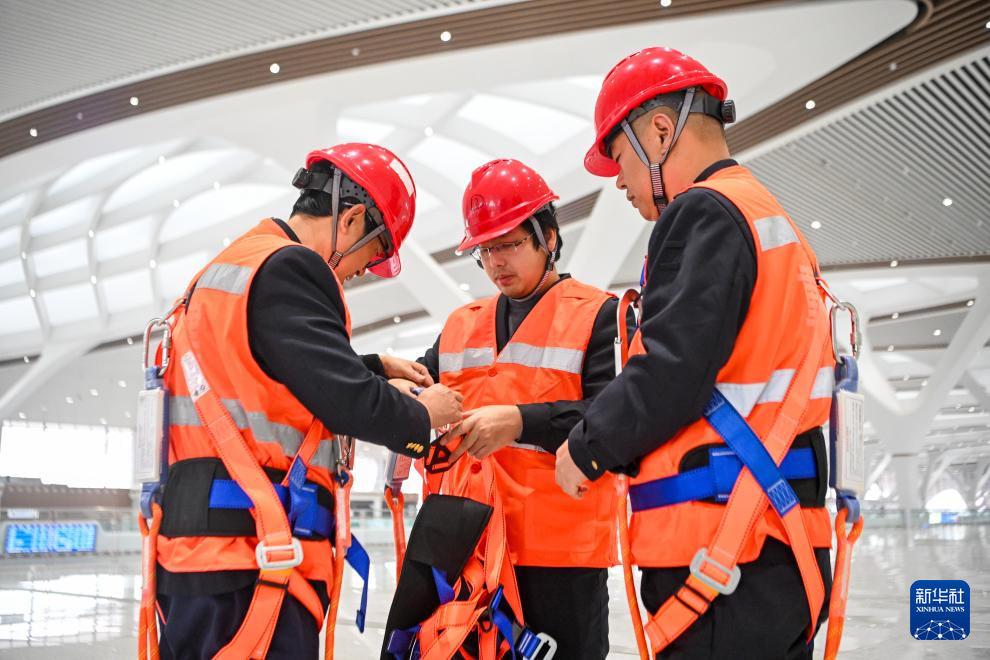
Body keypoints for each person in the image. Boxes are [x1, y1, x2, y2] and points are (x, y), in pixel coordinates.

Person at [555, 48, 834, 659]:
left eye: (620, 159)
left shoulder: (703, 211)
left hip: (725, 552)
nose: (619, 182)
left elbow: (671, 370)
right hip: (773, 544)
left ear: (661, 131)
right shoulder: (765, 216)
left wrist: (586, 446)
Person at [146, 143, 463, 659]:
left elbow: (267, 373)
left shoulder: (236, 267)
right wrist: (424, 417)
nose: (364, 270)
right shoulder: (293, 267)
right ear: (351, 219)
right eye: (374, 253)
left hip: (205, 552)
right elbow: (344, 401)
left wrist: (374, 367)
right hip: (252, 557)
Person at [391, 159, 628, 659]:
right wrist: (402, 393)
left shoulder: (599, 315)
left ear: (549, 237)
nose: (496, 262)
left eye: (509, 244)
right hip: (466, 551)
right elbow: (418, 389)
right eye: (485, 250)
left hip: (560, 558)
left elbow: (615, 419)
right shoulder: (461, 325)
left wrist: (520, 421)